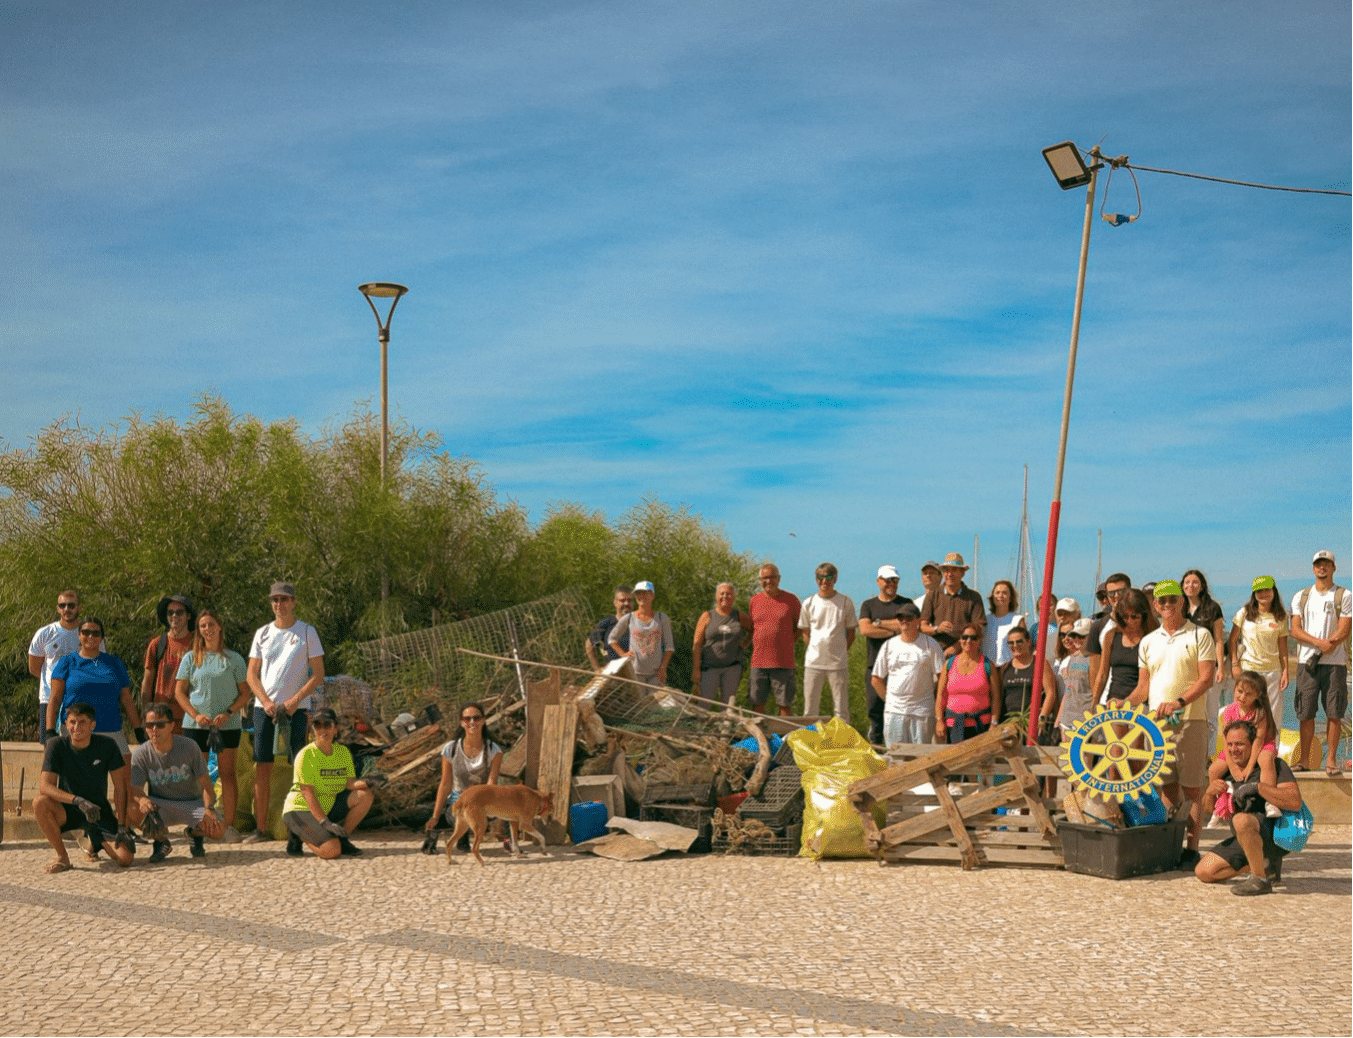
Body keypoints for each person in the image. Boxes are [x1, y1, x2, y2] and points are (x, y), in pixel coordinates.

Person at [1127, 579, 1217, 865]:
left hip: (1191, 720)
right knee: (1165, 787)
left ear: (1182, 602)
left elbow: (1205, 679)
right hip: (1156, 725)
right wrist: (1122, 704)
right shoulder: (1147, 642)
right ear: (1155, 606)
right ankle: (1169, 846)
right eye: (1162, 601)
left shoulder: (1201, 635)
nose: (1167, 605)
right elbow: (1143, 688)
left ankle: (1192, 848)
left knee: (1191, 788)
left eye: (1172, 600)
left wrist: (1179, 702)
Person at [245, 581, 325, 843]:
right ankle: (261, 829)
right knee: (262, 766)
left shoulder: (306, 632)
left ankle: (298, 826)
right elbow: (251, 674)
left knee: (298, 768)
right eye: (275, 600)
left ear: (293, 602)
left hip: (296, 709)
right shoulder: (262, 633)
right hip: (264, 709)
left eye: (284, 599)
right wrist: (266, 701)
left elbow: (318, 674)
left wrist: (294, 700)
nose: (279, 605)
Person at [1196, 719, 1303, 895]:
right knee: (1204, 872)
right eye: (1229, 744)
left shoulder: (1273, 765)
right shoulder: (1225, 771)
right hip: (1244, 838)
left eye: (1239, 744)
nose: (1233, 749)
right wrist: (1209, 793)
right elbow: (1209, 810)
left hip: (1275, 836)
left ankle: (1259, 879)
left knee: (1241, 819)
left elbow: (1294, 801)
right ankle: (1265, 864)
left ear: (1253, 745)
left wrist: (1260, 788)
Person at [175, 607, 251, 841]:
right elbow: (179, 692)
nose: (207, 629)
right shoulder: (191, 658)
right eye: (202, 626)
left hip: (226, 725)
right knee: (199, 775)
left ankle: (227, 824)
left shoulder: (234, 659)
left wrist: (229, 712)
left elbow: (245, 693)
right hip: (196, 725)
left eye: (210, 624)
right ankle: (200, 823)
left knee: (228, 774)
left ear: (219, 627)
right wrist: (195, 714)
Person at [32, 701, 134, 872]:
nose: (76, 727)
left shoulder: (107, 746)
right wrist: (77, 800)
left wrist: (122, 826)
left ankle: (93, 841)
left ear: (92, 725)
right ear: (66, 724)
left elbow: (120, 787)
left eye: (82, 722)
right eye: (72, 722)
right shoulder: (56, 746)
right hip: (69, 810)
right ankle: (63, 858)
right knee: (39, 802)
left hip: (98, 812)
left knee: (126, 859)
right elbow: (45, 786)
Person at [128, 703, 224, 861]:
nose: (154, 730)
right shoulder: (140, 754)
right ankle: (161, 842)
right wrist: (142, 799)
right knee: (131, 808)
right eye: (149, 725)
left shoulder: (189, 747)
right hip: (160, 806)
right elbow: (135, 789)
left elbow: (207, 785)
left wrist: (209, 808)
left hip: (192, 804)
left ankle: (194, 834)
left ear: (172, 726)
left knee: (218, 830)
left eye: (160, 725)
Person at [47, 616, 143, 764]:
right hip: (75, 731)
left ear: (101, 637)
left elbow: (126, 699)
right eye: (86, 632)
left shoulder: (114, 663)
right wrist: (49, 731)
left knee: (125, 783)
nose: (90, 636)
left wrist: (138, 730)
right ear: (79, 635)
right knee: (73, 782)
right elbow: (55, 698)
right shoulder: (66, 662)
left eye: (96, 633)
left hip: (110, 728)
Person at [281, 708, 374, 858]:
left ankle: (342, 837)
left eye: (328, 725)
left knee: (365, 795)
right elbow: (307, 792)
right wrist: (324, 822)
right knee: (332, 851)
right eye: (318, 725)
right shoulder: (306, 755)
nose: (323, 730)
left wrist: (369, 782)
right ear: (312, 730)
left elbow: (350, 784)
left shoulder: (343, 752)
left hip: (326, 806)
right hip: (301, 808)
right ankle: (297, 834)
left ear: (335, 728)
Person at [1290, 550, 1351, 777]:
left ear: (1334, 568)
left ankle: (1331, 760)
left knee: (1334, 712)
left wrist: (1330, 644)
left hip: (1335, 664)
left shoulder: (1344, 595)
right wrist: (1319, 643)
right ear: (1313, 568)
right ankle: (1304, 760)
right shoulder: (1301, 596)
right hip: (1308, 663)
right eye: (1318, 564)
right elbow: (1295, 630)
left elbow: (1345, 628)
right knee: (1305, 712)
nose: (1322, 567)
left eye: (1326, 564)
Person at [423, 702, 505, 853]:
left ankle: (504, 841)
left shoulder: (494, 750)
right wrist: (435, 816)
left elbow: (492, 783)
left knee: (488, 813)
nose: (472, 722)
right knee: (460, 815)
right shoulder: (451, 749)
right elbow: (445, 783)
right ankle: (438, 830)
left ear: (483, 720)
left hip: (482, 799)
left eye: (476, 718)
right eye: (467, 719)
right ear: (461, 723)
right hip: (457, 799)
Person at [870, 602, 944, 745]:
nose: (904, 621)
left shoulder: (931, 644)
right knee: (896, 757)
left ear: (917, 620)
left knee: (921, 758)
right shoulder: (889, 645)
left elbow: (942, 678)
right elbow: (876, 679)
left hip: (922, 712)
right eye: (901, 617)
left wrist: (937, 705)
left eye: (909, 617)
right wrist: (890, 701)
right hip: (895, 713)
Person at [1206, 671, 1279, 815]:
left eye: (1248, 694)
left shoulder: (1259, 713)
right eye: (1239, 691)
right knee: (1213, 770)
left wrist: (1249, 767)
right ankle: (1221, 803)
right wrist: (1233, 767)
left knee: (1266, 760)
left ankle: (1271, 801)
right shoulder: (1229, 711)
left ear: (1257, 695)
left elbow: (1258, 741)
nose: (1242, 697)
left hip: (1260, 746)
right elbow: (1226, 741)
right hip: (1236, 748)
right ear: (1234, 689)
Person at [27, 589, 93, 744]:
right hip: (50, 700)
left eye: (71, 605)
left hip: (80, 699)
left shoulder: (89, 634)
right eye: (62, 605)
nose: (67, 609)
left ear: (79, 607)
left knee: (80, 748)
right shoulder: (45, 633)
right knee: (51, 749)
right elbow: (34, 667)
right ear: (57, 609)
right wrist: (56, 684)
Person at [858, 565, 915, 743]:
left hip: (901, 667)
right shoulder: (868, 605)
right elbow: (865, 629)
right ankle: (876, 750)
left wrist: (879, 623)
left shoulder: (906, 603)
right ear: (878, 582)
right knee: (875, 711)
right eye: (887, 580)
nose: (891, 584)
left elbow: (908, 626)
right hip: (874, 665)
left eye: (895, 580)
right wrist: (894, 631)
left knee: (900, 712)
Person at [1227, 575, 1290, 732]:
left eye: (1267, 589)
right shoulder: (1244, 612)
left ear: (1273, 591)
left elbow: (1283, 648)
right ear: (1254, 594)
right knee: (1245, 713)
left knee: (1273, 716)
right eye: (1259, 591)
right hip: (1249, 670)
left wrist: (1286, 671)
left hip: (1273, 673)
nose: (1263, 594)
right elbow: (1232, 640)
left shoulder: (1281, 617)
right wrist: (1234, 664)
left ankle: (1271, 753)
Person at [798, 562, 857, 721]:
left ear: (835, 579)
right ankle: (809, 742)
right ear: (816, 579)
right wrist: (814, 649)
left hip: (838, 664)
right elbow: (805, 632)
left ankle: (843, 744)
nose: (824, 581)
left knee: (841, 710)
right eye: (821, 577)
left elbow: (851, 632)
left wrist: (841, 650)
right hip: (813, 663)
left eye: (828, 577)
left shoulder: (845, 602)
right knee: (810, 710)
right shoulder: (808, 603)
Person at [747, 562, 801, 717]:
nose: (768, 581)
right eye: (764, 578)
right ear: (760, 580)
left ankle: (784, 739)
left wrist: (787, 642)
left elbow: (799, 627)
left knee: (784, 705)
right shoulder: (754, 601)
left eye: (772, 577)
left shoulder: (791, 600)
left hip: (783, 662)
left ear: (779, 578)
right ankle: (760, 739)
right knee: (757, 704)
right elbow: (752, 627)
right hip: (758, 661)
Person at [935, 623, 1003, 744]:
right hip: (953, 725)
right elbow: (941, 695)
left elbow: (996, 697)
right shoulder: (949, 664)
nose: (968, 641)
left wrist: (994, 722)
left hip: (981, 726)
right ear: (960, 640)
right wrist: (939, 720)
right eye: (965, 637)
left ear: (979, 641)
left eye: (973, 638)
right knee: (955, 761)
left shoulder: (988, 665)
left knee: (982, 762)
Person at [1182, 569, 1228, 747]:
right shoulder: (1180, 607)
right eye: (1187, 582)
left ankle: (1208, 753)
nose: (1190, 586)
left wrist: (1221, 668)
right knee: (1189, 710)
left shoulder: (1212, 608)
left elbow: (1219, 639)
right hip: (1187, 667)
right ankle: (1190, 748)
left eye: (1194, 582)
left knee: (1210, 711)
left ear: (1202, 586)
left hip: (1209, 666)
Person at [1092, 588, 1156, 706]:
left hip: (1143, 705)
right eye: (1124, 616)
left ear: (1144, 614)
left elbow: (1147, 682)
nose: (1129, 621)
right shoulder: (1111, 635)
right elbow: (1102, 674)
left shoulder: (1153, 637)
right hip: (1113, 703)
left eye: (1134, 616)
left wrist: (1126, 703)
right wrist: (1094, 703)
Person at [141, 594, 196, 731]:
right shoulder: (158, 644)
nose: (174, 616)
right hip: (161, 718)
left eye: (179, 612)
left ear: (188, 615)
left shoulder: (197, 644)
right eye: (170, 612)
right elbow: (147, 682)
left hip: (191, 716)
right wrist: (145, 713)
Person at [691, 583, 751, 706]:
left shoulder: (739, 616)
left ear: (733, 597)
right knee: (703, 705)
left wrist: (745, 643)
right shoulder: (707, 616)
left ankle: (725, 725)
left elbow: (753, 629)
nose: (725, 596)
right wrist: (696, 670)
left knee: (727, 705)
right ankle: (700, 725)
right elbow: (697, 645)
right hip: (710, 668)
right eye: (722, 593)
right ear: (716, 596)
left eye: (728, 594)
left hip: (732, 668)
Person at [608, 580, 675, 687]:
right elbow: (612, 639)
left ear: (652, 595)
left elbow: (669, 647)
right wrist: (623, 654)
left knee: (655, 702)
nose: (641, 596)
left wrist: (663, 668)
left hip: (656, 674)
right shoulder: (629, 618)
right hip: (635, 673)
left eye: (645, 593)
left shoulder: (662, 618)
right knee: (637, 702)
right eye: (638, 593)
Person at [920, 552, 985, 657]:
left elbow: (979, 628)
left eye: (954, 570)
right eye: (946, 570)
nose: (949, 574)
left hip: (966, 655)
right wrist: (937, 629)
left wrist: (956, 647)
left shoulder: (974, 597)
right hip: (937, 655)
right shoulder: (932, 595)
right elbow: (922, 626)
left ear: (962, 573)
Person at [998, 625, 1057, 730]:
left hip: (1033, 724)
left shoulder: (1040, 663)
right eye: (1011, 643)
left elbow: (1050, 692)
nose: (1015, 645)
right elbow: (1000, 696)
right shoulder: (1005, 667)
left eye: (1019, 641)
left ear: (1028, 642)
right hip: (1009, 724)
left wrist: (1042, 718)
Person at [1086, 572, 1132, 694]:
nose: (1116, 596)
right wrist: (1095, 700)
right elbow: (1094, 669)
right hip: (1108, 700)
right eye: (1111, 593)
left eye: (1121, 591)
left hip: (1140, 700)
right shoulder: (1097, 626)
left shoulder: (1145, 621)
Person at [1057, 618, 1095, 732]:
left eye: (1082, 636)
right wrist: (1060, 718)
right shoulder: (1072, 658)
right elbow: (1068, 690)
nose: (1077, 639)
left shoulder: (1095, 658)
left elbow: (1095, 691)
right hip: (1067, 719)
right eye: (1074, 636)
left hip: (1086, 720)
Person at [584, 586, 633, 672]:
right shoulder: (607, 623)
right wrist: (597, 669)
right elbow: (589, 644)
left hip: (636, 675)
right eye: (622, 600)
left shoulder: (640, 623)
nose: (626, 603)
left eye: (629, 600)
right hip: (613, 675)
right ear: (615, 603)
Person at [982, 580, 1026, 668]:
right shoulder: (985, 620)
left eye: (1004, 593)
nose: (1000, 596)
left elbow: (1024, 647)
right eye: (997, 593)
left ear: (1010, 597)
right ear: (992, 597)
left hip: (1009, 669)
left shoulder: (1017, 620)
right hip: (988, 669)